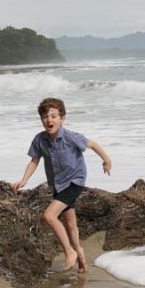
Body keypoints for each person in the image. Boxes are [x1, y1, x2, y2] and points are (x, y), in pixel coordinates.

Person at [12, 97, 112, 273]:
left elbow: (93, 144)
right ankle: (81, 260)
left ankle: (69, 252)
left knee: (49, 216)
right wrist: (24, 180)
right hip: (58, 185)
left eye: (53, 116)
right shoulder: (40, 140)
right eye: (45, 116)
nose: (49, 120)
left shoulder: (70, 137)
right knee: (70, 224)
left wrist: (106, 160)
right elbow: (34, 161)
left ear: (62, 119)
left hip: (75, 181)